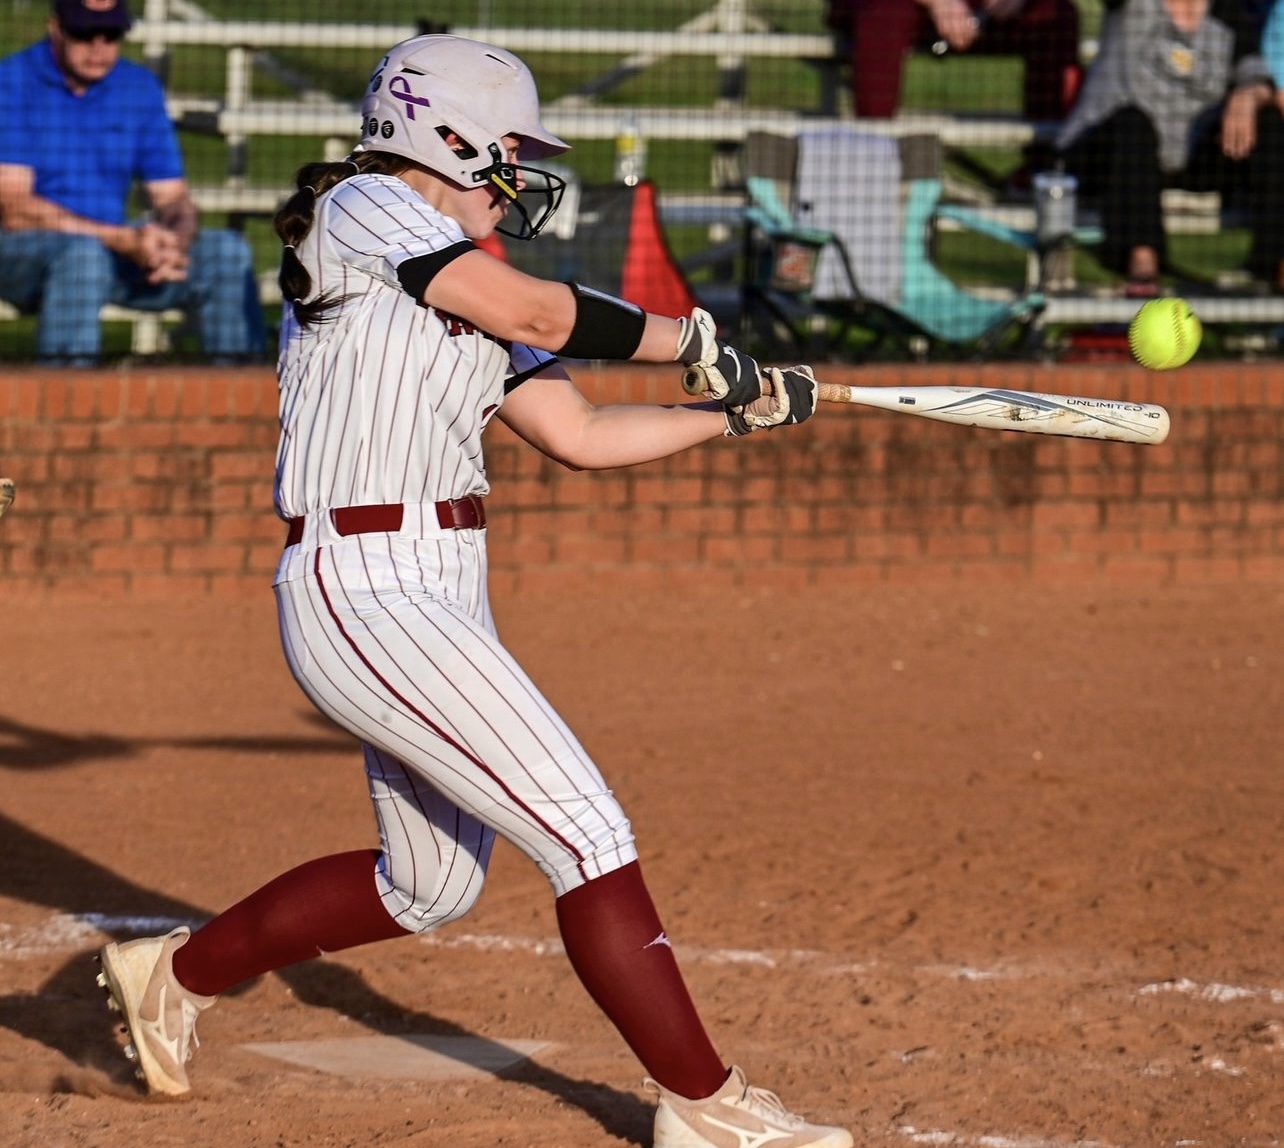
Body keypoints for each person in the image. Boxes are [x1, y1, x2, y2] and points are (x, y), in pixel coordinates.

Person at [93, 34, 851, 1148]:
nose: (521, 174)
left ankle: (172, 976)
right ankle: (708, 1103)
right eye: (506, 151)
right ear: (441, 140)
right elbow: (546, 314)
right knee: (587, 830)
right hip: (362, 584)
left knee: (430, 883)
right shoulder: (368, 209)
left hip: (440, 586)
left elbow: (581, 434)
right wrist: (685, 339)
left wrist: (733, 413)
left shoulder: (473, 288)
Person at [0, 0, 264, 365]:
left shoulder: (137, 87)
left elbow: (173, 196)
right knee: (82, 260)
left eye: (111, 34)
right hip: (22, 251)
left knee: (226, 252)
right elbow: (15, 209)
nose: (98, 46)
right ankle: (65, 408)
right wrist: (123, 240)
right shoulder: (12, 82)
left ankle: (248, 402)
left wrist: (176, 240)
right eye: (84, 33)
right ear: (55, 28)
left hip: (117, 248)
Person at [1056, 0, 1284, 294]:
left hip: (1189, 154)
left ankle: (1276, 263)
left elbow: (1257, 74)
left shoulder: (1229, 15)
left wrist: (1249, 95)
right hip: (1108, 154)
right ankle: (1141, 265)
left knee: (1269, 122)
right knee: (1132, 123)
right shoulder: (1130, 6)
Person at [824, 0, 1082, 122]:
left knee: (1056, 16)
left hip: (986, 13)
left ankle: (1046, 167)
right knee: (884, 16)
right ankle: (875, 157)